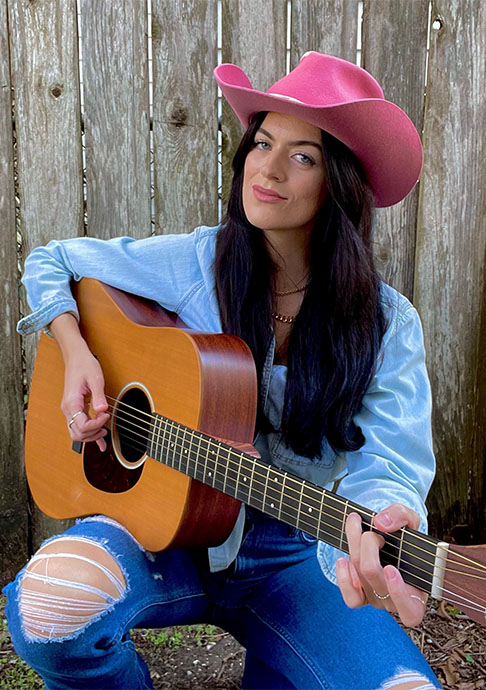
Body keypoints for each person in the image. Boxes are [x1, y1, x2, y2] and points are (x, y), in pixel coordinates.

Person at [3, 52, 442, 690]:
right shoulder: (198, 261)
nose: (266, 167)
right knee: (51, 606)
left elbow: (392, 466)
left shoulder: (386, 323)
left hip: (300, 560)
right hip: (167, 538)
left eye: (302, 156)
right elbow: (53, 261)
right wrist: (76, 352)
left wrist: (382, 519)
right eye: (262, 143)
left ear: (339, 184)